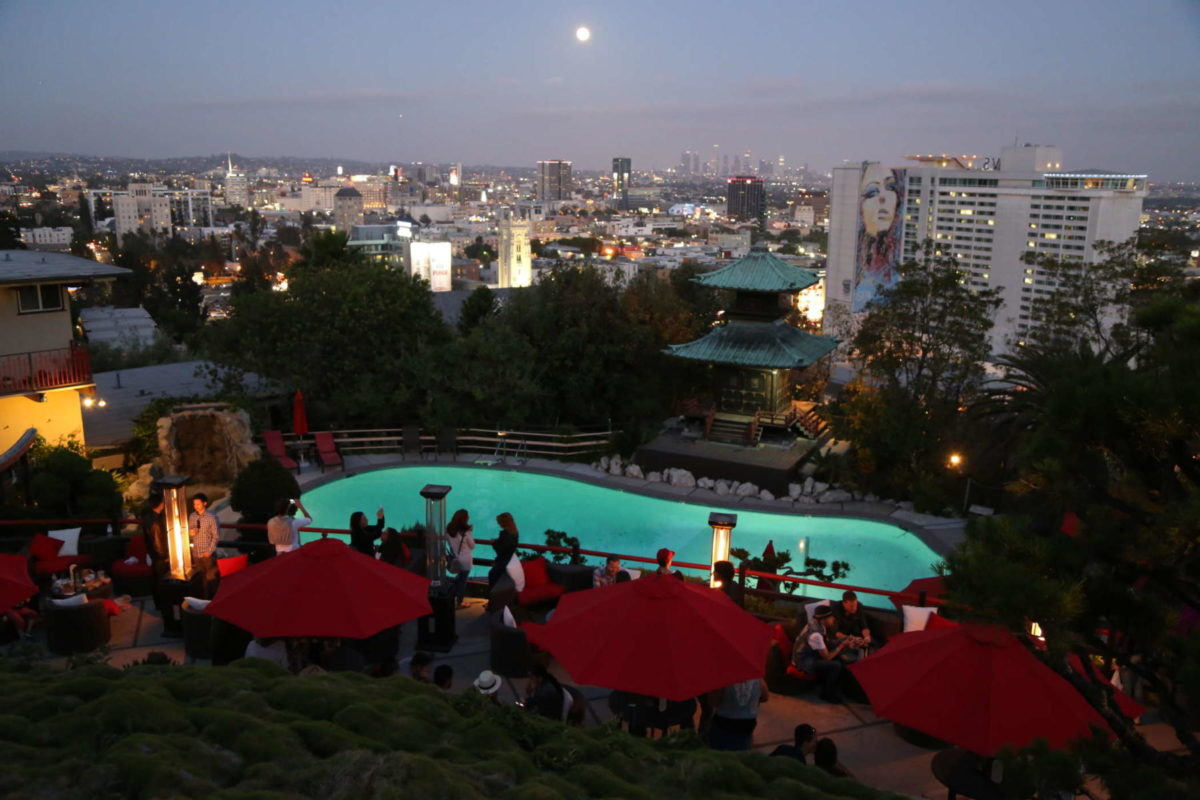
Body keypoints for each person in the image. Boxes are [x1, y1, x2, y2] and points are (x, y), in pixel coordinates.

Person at [852, 162, 905, 312]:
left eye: (891, 188)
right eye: (872, 193)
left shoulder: (897, 267)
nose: (883, 197)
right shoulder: (858, 270)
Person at [794, 605, 851, 703]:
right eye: (831, 617)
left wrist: (846, 639)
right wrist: (842, 646)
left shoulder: (819, 626)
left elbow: (827, 643)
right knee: (835, 665)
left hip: (810, 655)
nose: (833, 619)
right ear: (823, 620)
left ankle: (834, 687)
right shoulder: (815, 635)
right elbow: (827, 657)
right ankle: (826, 694)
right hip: (804, 662)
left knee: (838, 657)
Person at [141, 493, 176, 633]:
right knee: (160, 580)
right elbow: (156, 541)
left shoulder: (148, 517)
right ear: (160, 504)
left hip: (154, 555)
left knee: (156, 579)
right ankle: (163, 605)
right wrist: (164, 556)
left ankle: (159, 604)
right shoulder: (154, 521)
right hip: (159, 557)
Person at [706, 677, 768, 751]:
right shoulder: (758, 680)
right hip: (748, 723)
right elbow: (765, 697)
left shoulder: (722, 680)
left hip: (724, 723)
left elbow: (713, 702)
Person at [188, 493, 220, 598]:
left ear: (204, 503)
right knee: (202, 578)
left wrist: (209, 551)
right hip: (196, 552)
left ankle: (214, 600)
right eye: (194, 504)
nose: (196, 506)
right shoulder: (192, 516)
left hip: (207, 553)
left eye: (198, 504)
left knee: (211, 578)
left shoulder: (211, 517)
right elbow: (191, 529)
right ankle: (205, 599)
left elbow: (216, 536)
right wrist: (191, 532)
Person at [445, 509, 475, 608]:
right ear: (465, 519)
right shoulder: (466, 532)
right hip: (466, 559)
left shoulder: (448, 529)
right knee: (462, 581)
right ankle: (459, 602)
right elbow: (472, 545)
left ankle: (449, 598)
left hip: (455, 559)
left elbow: (449, 543)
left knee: (459, 579)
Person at [833, 590, 872, 661]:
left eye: (855, 605)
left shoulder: (859, 606)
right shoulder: (836, 608)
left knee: (868, 645)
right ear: (844, 603)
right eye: (851, 606)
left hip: (854, 633)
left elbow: (864, 625)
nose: (854, 608)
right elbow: (836, 633)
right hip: (841, 637)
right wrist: (852, 638)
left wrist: (867, 637)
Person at [488, 512, 522, 590]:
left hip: (503, 561)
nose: (499, 524)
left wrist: (494, 543)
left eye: (499, 522)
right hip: (510, 559)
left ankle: (493, 598)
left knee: (493, 575)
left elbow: (501, 548)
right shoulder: (515, 532)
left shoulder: (505, 533)